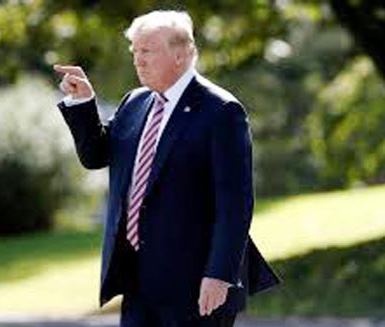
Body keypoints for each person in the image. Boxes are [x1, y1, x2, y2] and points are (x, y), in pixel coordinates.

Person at [54, 10, 280, 327]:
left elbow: (235, 205)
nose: (138, 60)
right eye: (135, 51)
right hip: (138, 280)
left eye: (147, 51)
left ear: (181, 54)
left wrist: (219, 275)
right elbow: (96, 156)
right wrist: (84, 104)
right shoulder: (135, 102)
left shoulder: (221, 111)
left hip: (196, 283)